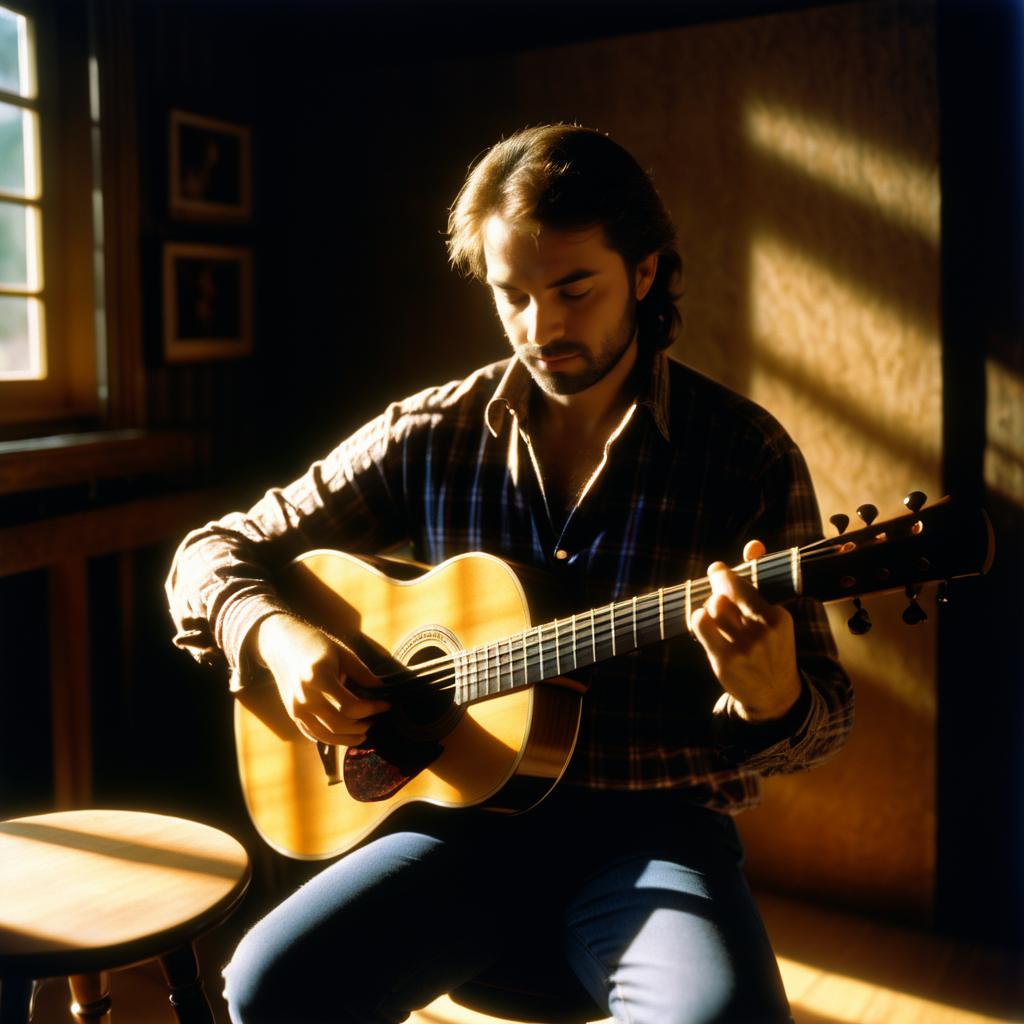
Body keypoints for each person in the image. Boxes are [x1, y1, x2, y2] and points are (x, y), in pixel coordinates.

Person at [166, 123, 853, 1024]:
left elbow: (825, 717)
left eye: (574, 289)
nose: (544, 328)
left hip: (651, 835)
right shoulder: (433, 431)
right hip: (456, 827)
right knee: (269, 984)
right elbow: (208, 552)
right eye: (512, 296)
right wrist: (277, 636)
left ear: (645, 274)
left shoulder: (743, 455)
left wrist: (773, 700)